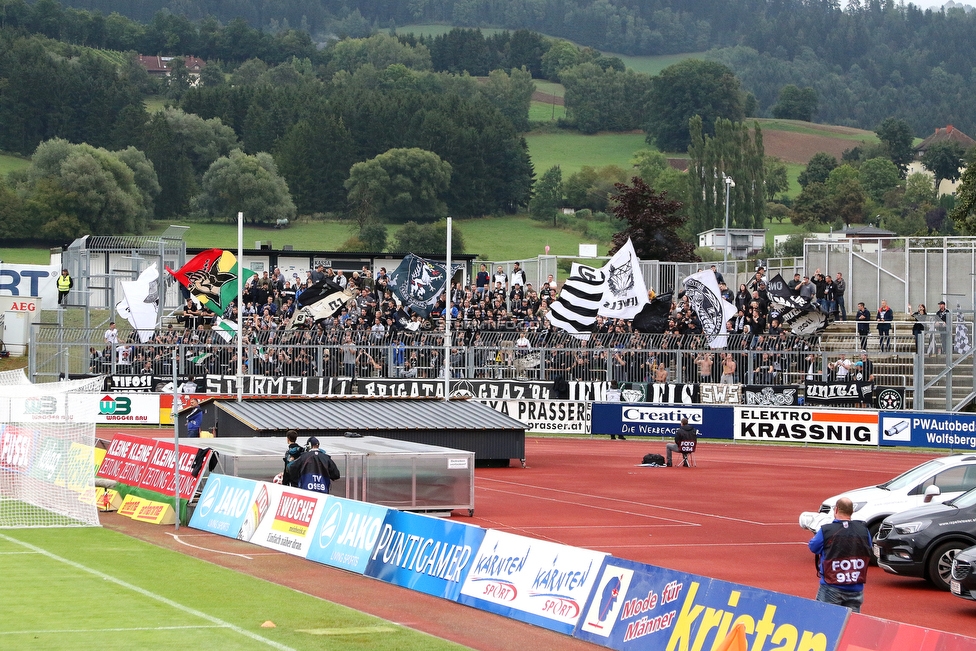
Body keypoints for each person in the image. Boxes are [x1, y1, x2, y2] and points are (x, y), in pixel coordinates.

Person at [808, 496, 872, 612]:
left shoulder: (826, 530)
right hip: (856, 586)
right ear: (851, 512)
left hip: (831, 586)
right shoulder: (863, 530)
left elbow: (813, 547)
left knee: (824, 620)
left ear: (836, 510)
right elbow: (869, 547)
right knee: (851, 623)